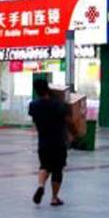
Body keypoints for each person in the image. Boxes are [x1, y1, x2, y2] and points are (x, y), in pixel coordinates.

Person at [29, 78, 69, 206]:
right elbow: (67, 119)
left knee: (44, 166)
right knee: (57, 169)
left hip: (43, 142)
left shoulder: (33, 105)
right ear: (48, 88)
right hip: (58, 141)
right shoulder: (58, 104)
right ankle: (54, 198)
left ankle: (41, 185)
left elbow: (35, 122)